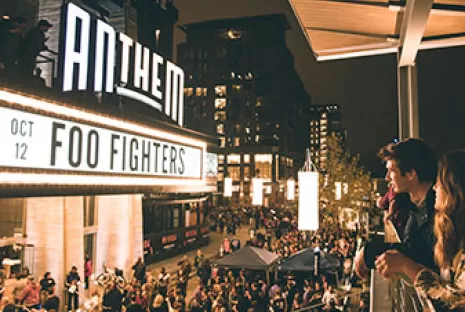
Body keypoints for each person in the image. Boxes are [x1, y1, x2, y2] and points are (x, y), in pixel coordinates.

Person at [375, 150, 465, 310]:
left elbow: (456, 303)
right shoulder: (448, 230)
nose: (435, 187)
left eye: (440, 183)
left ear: (455, 191)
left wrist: (406, 267)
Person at [355, 138, 438, 279]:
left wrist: (368, 252)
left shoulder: (440, 211)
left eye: (391, 171)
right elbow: (410, 248)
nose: (387, 178)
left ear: (411, 174)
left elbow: (422, 257)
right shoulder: (413, 206)